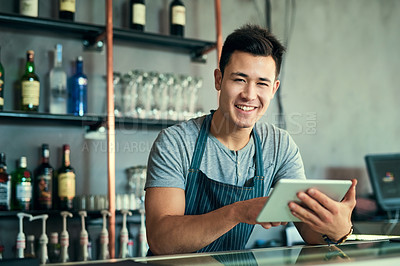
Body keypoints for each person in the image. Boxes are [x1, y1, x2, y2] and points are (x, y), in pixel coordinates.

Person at [144, 24, 357, 255]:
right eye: (239, 79)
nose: (249, 94)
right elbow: (161, 240)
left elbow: (308, 230)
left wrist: (338, 228)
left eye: (262, 83)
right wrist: (237, 212)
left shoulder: (279, 146)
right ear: (218, 79)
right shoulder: (175, 143)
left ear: (274, 89)